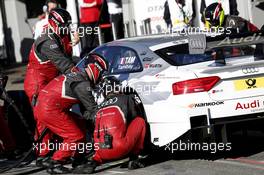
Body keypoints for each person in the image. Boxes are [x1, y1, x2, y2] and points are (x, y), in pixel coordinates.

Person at [34, 53, 108, 174]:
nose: (101, 77)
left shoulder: (78, 76)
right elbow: (93, 111)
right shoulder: (83, 84)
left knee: (80, 123)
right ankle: (56, 162)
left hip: (47, 107)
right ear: (96, 69)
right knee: (75, 136)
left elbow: (86, 112)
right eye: (102, 73)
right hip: (49, 109)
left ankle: (78, 157)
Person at [24, 8, 77, 164]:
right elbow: (65, 64)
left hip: (53, 79)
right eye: (64, 25)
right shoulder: (47, 39)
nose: (67, 28)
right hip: (37, 82)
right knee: (43, 117)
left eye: (68, 25)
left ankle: (62, 148)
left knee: (59, 113)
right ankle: (43, 153)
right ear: (54, 23)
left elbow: (69, 59)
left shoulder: (64, 35)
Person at [73, 76, 146, 174]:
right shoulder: (126, 98)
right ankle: (134, 158)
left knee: (102, 135)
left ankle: (94, 162)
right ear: (117, 87)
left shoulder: (98, 107)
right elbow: (135, 116)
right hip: (120, 147)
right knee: (139, 121)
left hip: (100, 150)